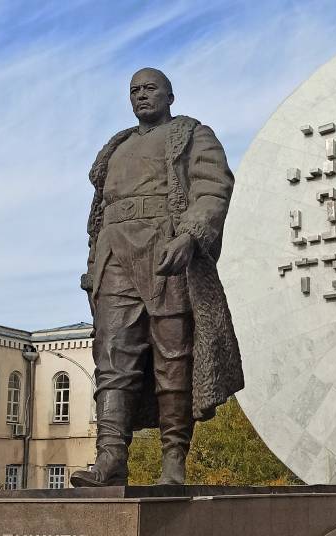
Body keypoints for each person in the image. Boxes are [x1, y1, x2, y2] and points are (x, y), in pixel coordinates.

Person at [70, 67, 243, 487]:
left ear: (169, 96)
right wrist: (94, 264)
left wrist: (190, 235)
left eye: (150, 88)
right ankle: (111, 457)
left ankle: (173, 459)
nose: (141, 95)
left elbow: (213, 188)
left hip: (165, 251)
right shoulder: (116, 147)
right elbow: (98, 214)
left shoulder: (192, 134)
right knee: (112, 356)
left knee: (173, 357)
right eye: (134, 90)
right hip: (114, 255)